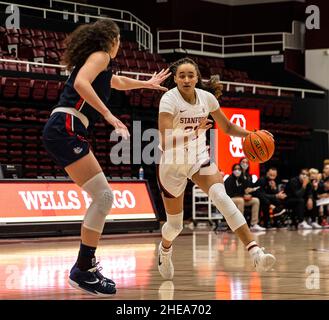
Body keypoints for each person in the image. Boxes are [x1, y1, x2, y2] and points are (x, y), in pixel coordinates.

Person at [42, 19, 170, 296]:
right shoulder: (99, 56)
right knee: (104, 197)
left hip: (64, 128)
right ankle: (83, 268)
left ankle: (84, 266)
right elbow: (80, 83)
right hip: (66, 125)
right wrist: (110, 116)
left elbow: (118, 81)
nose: (120, 45)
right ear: (110, 40)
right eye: (119, 41)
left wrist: (146, 84)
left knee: (103, 197)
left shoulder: (100, 65)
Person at [156, 57, 276, 280]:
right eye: (181, 75)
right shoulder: (168, 99)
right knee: (174, 226)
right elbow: (164, 140)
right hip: (172, 164)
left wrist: (253, 135)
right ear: (174, 79)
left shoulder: (207, 98)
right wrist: (194, 131)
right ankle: (164, 250)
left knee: (221, 196)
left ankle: (256, 252)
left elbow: (227, 126)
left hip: (198, 159)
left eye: (190, 75)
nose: (186, 79)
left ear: (197, 78)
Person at [224, 163, 265, 232]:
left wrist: (247, 194)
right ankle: (240, 225)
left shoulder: (242, 179)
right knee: (240, 201)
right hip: (231, 199)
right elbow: (229, 194)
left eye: (239, 169)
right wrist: (242, 196)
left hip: (241, 198)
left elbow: (245, 190)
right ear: (232, 170)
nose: (237, 171)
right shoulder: (229, 180)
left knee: (255, 200)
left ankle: (253, 224)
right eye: (235, 169)